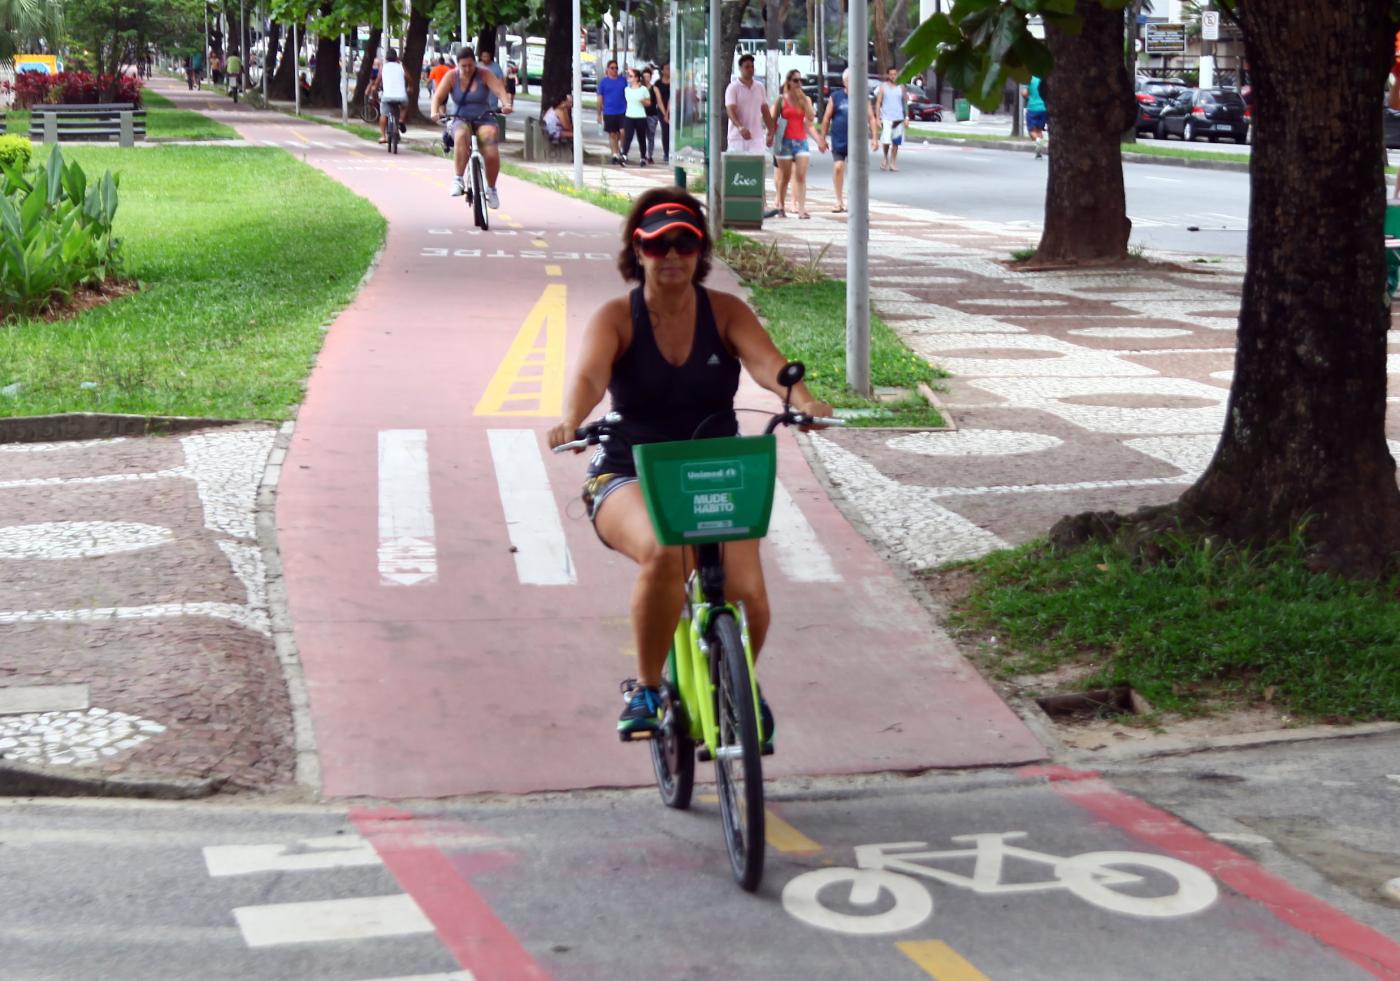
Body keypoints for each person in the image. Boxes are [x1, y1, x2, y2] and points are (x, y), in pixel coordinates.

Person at [545, 188, 833, 738]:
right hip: (628, 470)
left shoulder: (725, 312)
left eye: (685, 244)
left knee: (750, 597)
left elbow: (770, 365)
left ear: (700, 252)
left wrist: (804, 402)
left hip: (714, 469)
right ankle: (647, 688)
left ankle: (737, 682)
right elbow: (588, 378)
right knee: (665, 550)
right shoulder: (616, 318)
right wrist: (570, 418)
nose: (672, 255)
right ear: (639, 250)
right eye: (658, 245)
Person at [431, 47, 514, 208]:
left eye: (470, 65)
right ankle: (458, 179)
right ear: (458, 65)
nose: (468, 69)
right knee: (461, 135)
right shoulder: (451, 77)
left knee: (490, 147)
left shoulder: (484, 74)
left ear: (475, 63)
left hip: (483, 118)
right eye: (464, 66)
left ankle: (491, 189)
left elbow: (499, 90)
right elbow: (438, 97)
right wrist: (435, 112)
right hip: (460, 118)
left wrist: (506, 104)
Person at [819, 69, 878, 213]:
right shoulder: (836, 97)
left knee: (857, 172)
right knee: (838, 167)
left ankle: (857, 201)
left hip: (857, 142)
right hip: (839, 139)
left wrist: (875, 138)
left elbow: (871, 118)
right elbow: (826, 118)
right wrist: (822, 138)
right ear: (844, 82)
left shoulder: (863, 98)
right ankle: (839, 201)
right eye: (850, 80)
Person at [771, 69, 826, 219]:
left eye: (800, 80)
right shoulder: (781, 100)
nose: (798, 83)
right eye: (795, 80)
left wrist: (803, 99)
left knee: (801, 175)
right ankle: (781, 205)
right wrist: (770, 137)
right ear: (788, 81)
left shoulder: (804, 99)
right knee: (786, 176)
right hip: (785, 142)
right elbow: (772, 119)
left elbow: (810, 117)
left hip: (801, 141)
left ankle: (801, 209)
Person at [725, 53, 773, 153]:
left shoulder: (759, 87)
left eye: (752, 66)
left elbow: (765, 110)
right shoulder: (733, 87)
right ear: (740, 68)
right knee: (739, 167)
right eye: (747, 67)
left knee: (756, 167)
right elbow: (730, 110)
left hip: (756, 138)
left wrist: (771, 131)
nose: (750, 69)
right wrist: (740, 127)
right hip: (737, 138)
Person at [372, 47, 409, 144]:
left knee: (384, 114)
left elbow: (377, 83)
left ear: (386, 58)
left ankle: (383, 136)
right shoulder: (401, 66)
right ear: (396, 58)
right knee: (404, 105)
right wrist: (411, 87)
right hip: (401, 96)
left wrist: (374, 93)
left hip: (387, 96)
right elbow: (409, 78)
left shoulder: (383, 67)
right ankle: (401, 120)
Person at [874, 66, 906, 171]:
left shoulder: (901, 86)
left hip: (898, 118)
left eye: (895, 74)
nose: (893, 76)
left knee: (896, 142)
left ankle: (893, 162)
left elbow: (905, 102)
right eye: (891, 74)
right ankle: (885, 158)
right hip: (887, 118)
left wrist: (907, 117)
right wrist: (878, 118)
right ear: (888, 75)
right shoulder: (883, 87)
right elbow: (878, 103)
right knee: (886, 141)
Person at [596, 60, 628, 165]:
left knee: (623, 132)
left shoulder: (623, 81)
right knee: (613, 134)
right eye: (612, 68)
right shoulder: (604, 83)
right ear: (607, 69)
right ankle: (615, 154)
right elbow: (600, 99)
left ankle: (621, 150)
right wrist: (599, 114)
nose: (614, 70)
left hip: (622, 111)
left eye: (616, 68)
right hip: (609, 111)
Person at [621, 68, 652, 166]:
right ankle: (624, 155)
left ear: (637, 78)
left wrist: (642, 101)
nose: (628, 78)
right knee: (628, 137)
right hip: (629, 116)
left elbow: (648, 103)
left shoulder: (643, 89)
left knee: (641, 138)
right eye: (628, 76)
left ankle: (643, 157)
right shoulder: (626, 89)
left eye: (630, 76)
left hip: (640, 116)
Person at [478, 46, 506, 138]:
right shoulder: (477, 66)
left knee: (490, 117)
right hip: (479, 98)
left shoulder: (496, 67)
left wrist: (503, 97)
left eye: (487, 56)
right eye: (484, 56)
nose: (485, 58)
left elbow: (501, 81)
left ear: (490, 57)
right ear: (481, 57)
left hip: (492, 97)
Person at [652, 63, 672, 163]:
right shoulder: (658, 83)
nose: (669, 70)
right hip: (661, 109)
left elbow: (672, 98)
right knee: (665, 130)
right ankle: (666, 152)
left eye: (670, 68)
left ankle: (673, 151)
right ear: (662, 71)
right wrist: (665, 114)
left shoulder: (674, 82)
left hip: (672, 109)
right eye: (667, 69)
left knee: (673, 131)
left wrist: (668, 113)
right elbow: (658, 100)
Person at [1024, 75, 1048, 159]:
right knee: (1039, 130)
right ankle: (1039, 153)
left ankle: (1038, 141)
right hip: (1044, 108)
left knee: (1031, 130)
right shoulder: (1044, 78)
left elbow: (1024, 93)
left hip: (1032, 108)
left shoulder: (1030, 78)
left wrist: (1028, 98)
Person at [642, 66, 661, 165]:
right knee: (642, 136)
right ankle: (643, 154)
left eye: (648, 76)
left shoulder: (654, 88)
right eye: (644, 76)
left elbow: (659, 102)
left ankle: (650, 155)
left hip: (652, 115)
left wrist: (664, 112)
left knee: (651, 135)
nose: (646, 78)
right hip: (641, 115)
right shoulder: (639, 88)